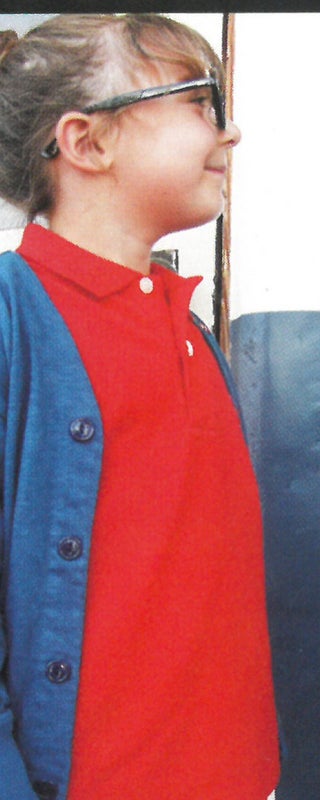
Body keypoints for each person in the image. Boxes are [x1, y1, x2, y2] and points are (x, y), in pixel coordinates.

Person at [0, 14, 279, 800]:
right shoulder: (14, 323)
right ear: (88, 142)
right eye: (200, 102)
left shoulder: (190, 330)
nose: (229, 132)